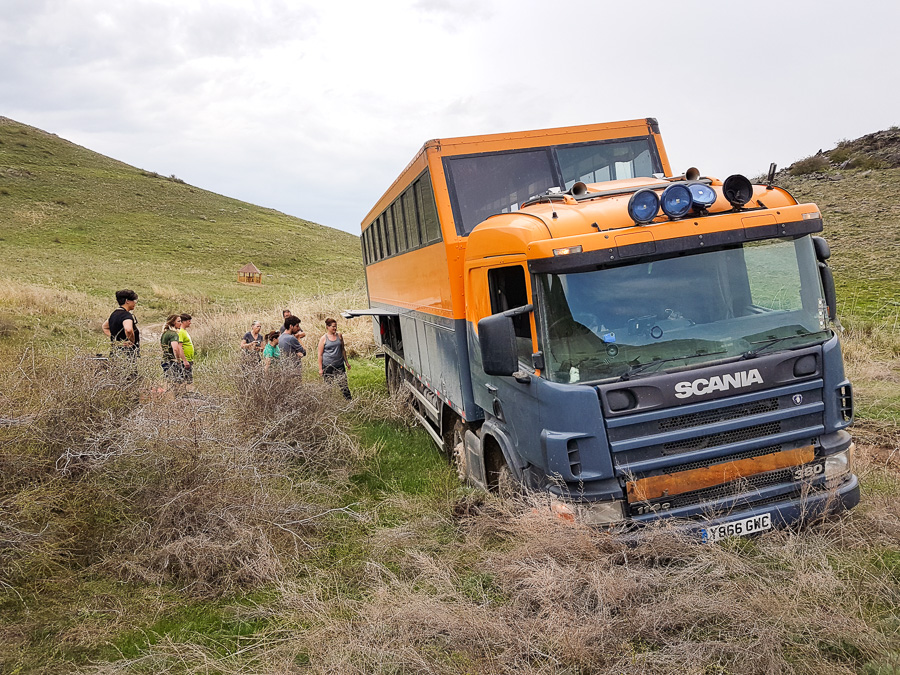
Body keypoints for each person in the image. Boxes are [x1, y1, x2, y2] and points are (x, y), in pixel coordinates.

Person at [102, 289, 141, 381]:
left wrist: (115, 338)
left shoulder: (114, 314)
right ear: (127, 301)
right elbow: (128, 329)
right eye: (134, 301)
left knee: (117, 377)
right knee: (129, 379)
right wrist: (131, 341)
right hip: (127, 353)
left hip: (116, 351)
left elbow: (104, 327)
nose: (135, 303)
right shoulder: (126, 315)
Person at [317, 317, 352, 399]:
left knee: (344, 385)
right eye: (333, 326)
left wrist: (346, 362)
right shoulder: (323, 339)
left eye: (336, 326)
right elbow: (320, 354)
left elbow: (343, 349)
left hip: (339, 365)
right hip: (328, 366)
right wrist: (320, 369)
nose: (335, 328)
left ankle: (349, 401)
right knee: (328, 386)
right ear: (327, 327)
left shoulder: (339, 336)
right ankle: (329, 402)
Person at [160, 314, 190, 384]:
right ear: (173, 322)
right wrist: (178, 360)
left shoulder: (165, 333)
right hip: (171, 361)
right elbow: (175, 348)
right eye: (179, 321)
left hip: (165, 360)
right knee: (176, 382)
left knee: (169, 381)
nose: (181, 323)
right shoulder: (173, 334)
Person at [178, 313, 195, 386]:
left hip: (189, 358)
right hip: (185, 360)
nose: (190, 323)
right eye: (189, 321)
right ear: (183, 322)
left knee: (189, 379)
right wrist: (184, 360)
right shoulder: (181, 332)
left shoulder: (184, 331)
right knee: (186, 379)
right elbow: (180, 347)